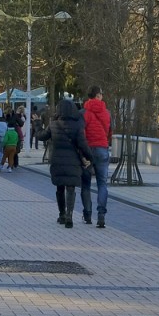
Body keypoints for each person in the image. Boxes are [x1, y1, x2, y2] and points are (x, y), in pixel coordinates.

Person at [49, 97, 94, 228]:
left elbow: (41, 135)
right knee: (71, 188)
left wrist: (37, 123)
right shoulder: (77, 125)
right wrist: (90, 158)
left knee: (59, 188)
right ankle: (70, 215)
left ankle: (62, 214)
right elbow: (83, 144)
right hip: (73, 162)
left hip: (57, 161)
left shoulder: (53, 124)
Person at [82, 86, 112, 228]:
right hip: (102, 148)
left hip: (88, 149)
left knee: (86, 184)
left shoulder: (84, 113)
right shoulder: (107, 113)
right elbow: (109, 131)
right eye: (101, 94)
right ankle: (101, 215)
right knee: (102, 183)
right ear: (98, 95)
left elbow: (81, 133)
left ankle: (87, 214)